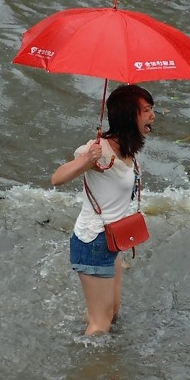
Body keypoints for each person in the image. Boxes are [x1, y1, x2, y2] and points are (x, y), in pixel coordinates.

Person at [51, 84, 155, 335]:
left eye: (152, 110)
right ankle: (92, 370)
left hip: (112, 240)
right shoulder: (99, 149)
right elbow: (57, 178)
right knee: (100, 324)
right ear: (129, 115)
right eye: (147, 110)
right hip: (93, 241)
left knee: (113, 312)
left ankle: (92, 346)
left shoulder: (127, 148)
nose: (152, 116)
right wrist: (86, 160)